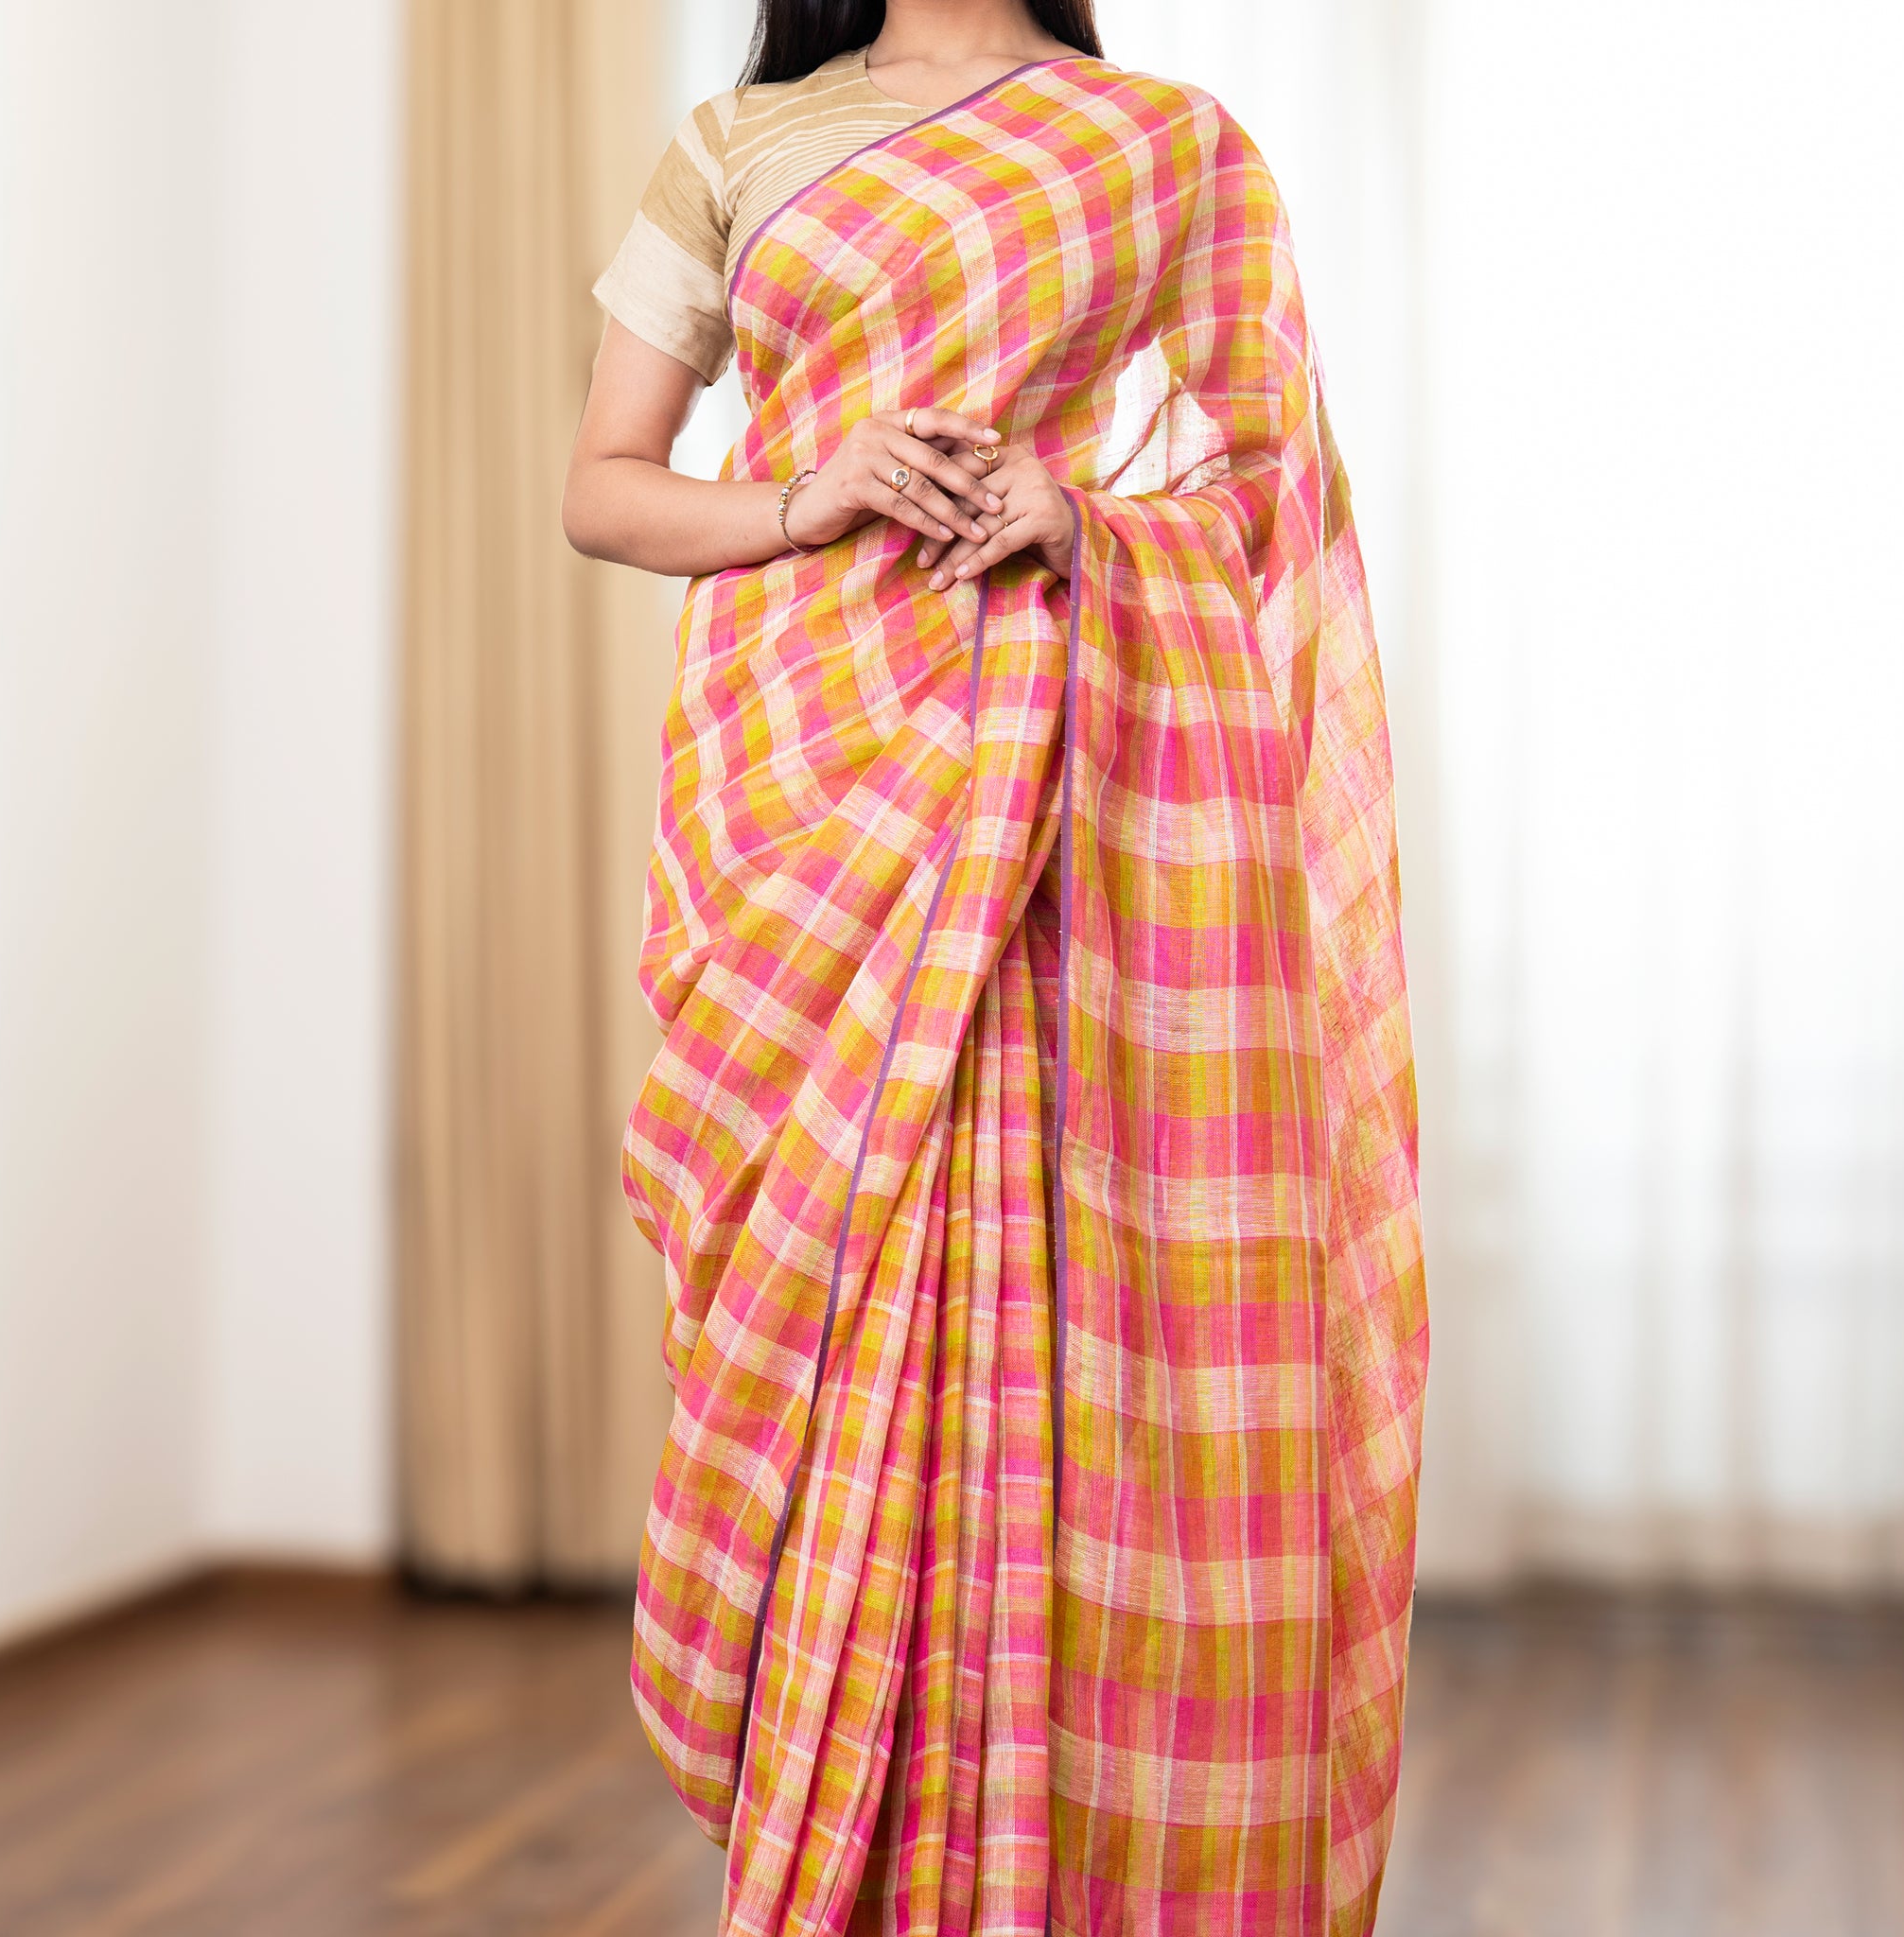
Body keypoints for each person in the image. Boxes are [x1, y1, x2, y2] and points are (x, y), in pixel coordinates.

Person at [562, 3, 1428, 1931]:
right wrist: (808, 494)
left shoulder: (1169, 144)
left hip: (1054, 787)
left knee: (1050, 1349)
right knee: (841, 1326)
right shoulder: (739, 143)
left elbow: (1273, 487)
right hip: (813, 792)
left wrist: (1087, 523)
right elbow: (605, 482)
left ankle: (1050, 1864)